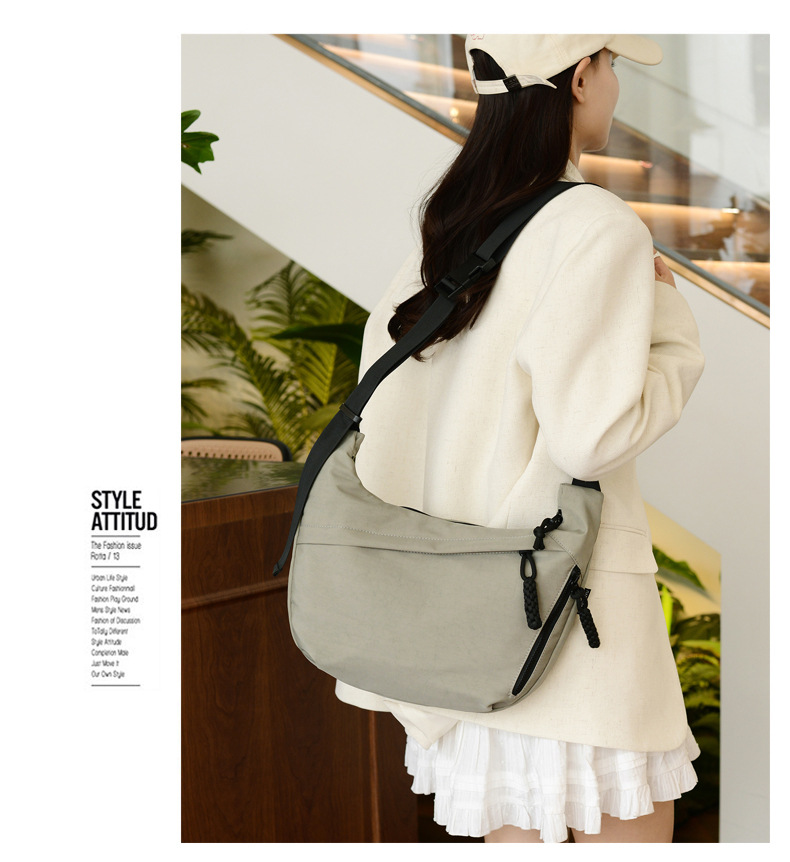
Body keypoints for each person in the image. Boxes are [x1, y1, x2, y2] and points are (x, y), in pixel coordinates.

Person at [335, 34, 706, 844]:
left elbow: (386, 424)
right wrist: (673, 331)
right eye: (611, 66)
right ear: (580, 79)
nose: (615, 86)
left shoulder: (444, 233)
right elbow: (592, 439)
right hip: (571, 631)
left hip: (462, 635)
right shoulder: (594, 224)